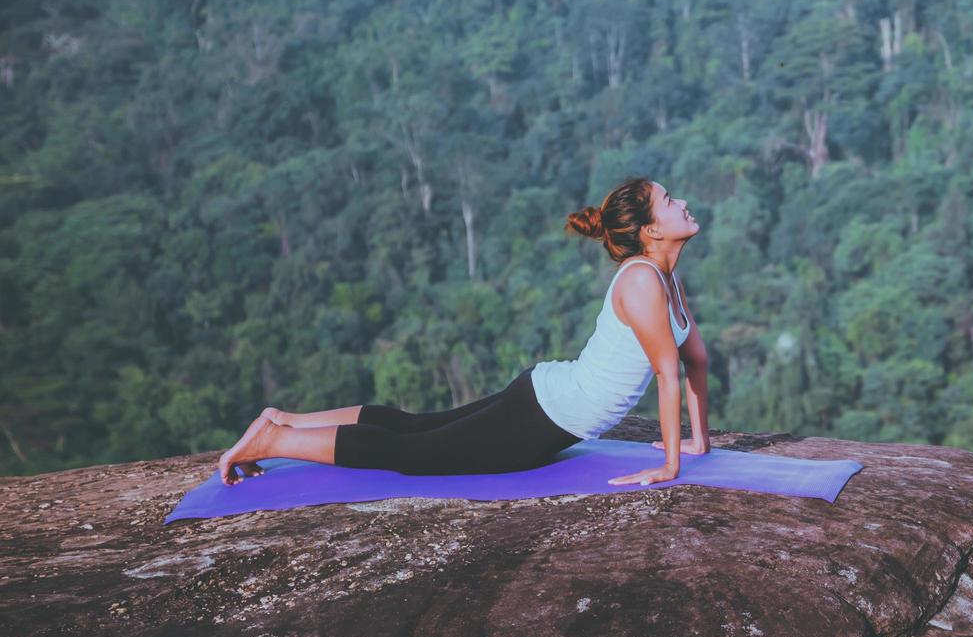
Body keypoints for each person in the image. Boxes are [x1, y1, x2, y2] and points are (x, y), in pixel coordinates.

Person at [214, 176, 710, 489]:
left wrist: (697, 443)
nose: (682, 201)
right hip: (546, 415)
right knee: (411, 454)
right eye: (669, 200)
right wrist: (669, 466)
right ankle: (274, 442)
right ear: (651, 231)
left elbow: (695, 362)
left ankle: (287, 421)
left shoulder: (666, 278)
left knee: (416, 427)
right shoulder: (643, 279)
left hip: (547, 396)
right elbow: (667, 375)